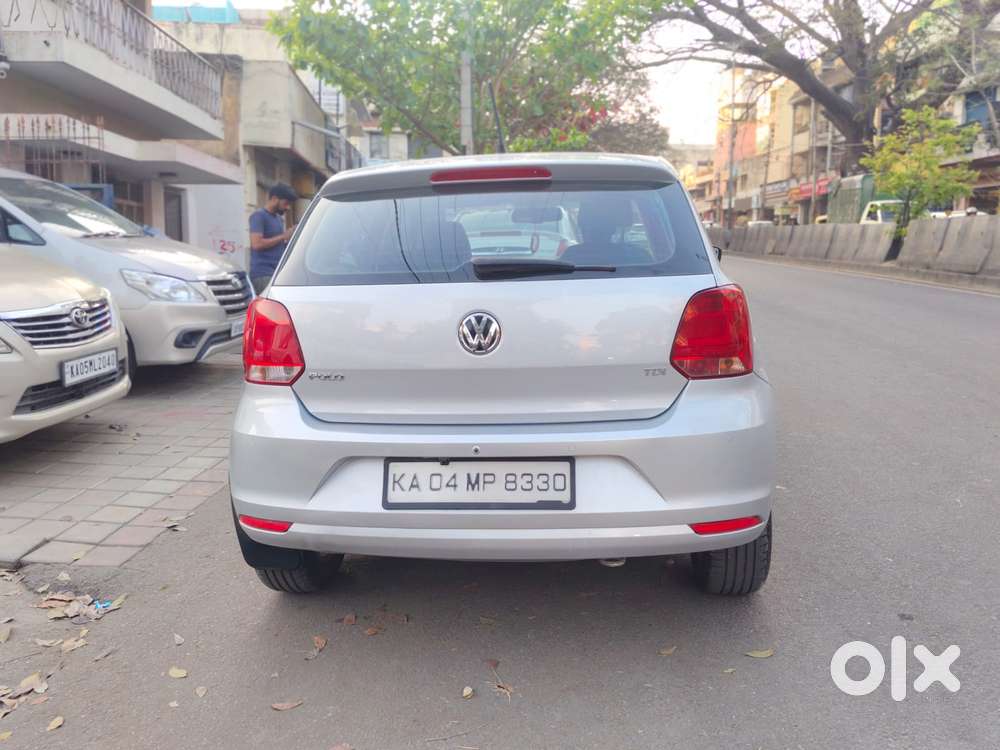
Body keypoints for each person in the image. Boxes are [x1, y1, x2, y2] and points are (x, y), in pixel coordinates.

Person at [249, 183, 297, 294]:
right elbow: (256, 244)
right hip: (263, 274)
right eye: (286, 203)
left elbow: (278, 244)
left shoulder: (279, 219)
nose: (288, 207)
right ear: (275, 199)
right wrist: (283, 236)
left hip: (276, 273)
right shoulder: (259, 216)